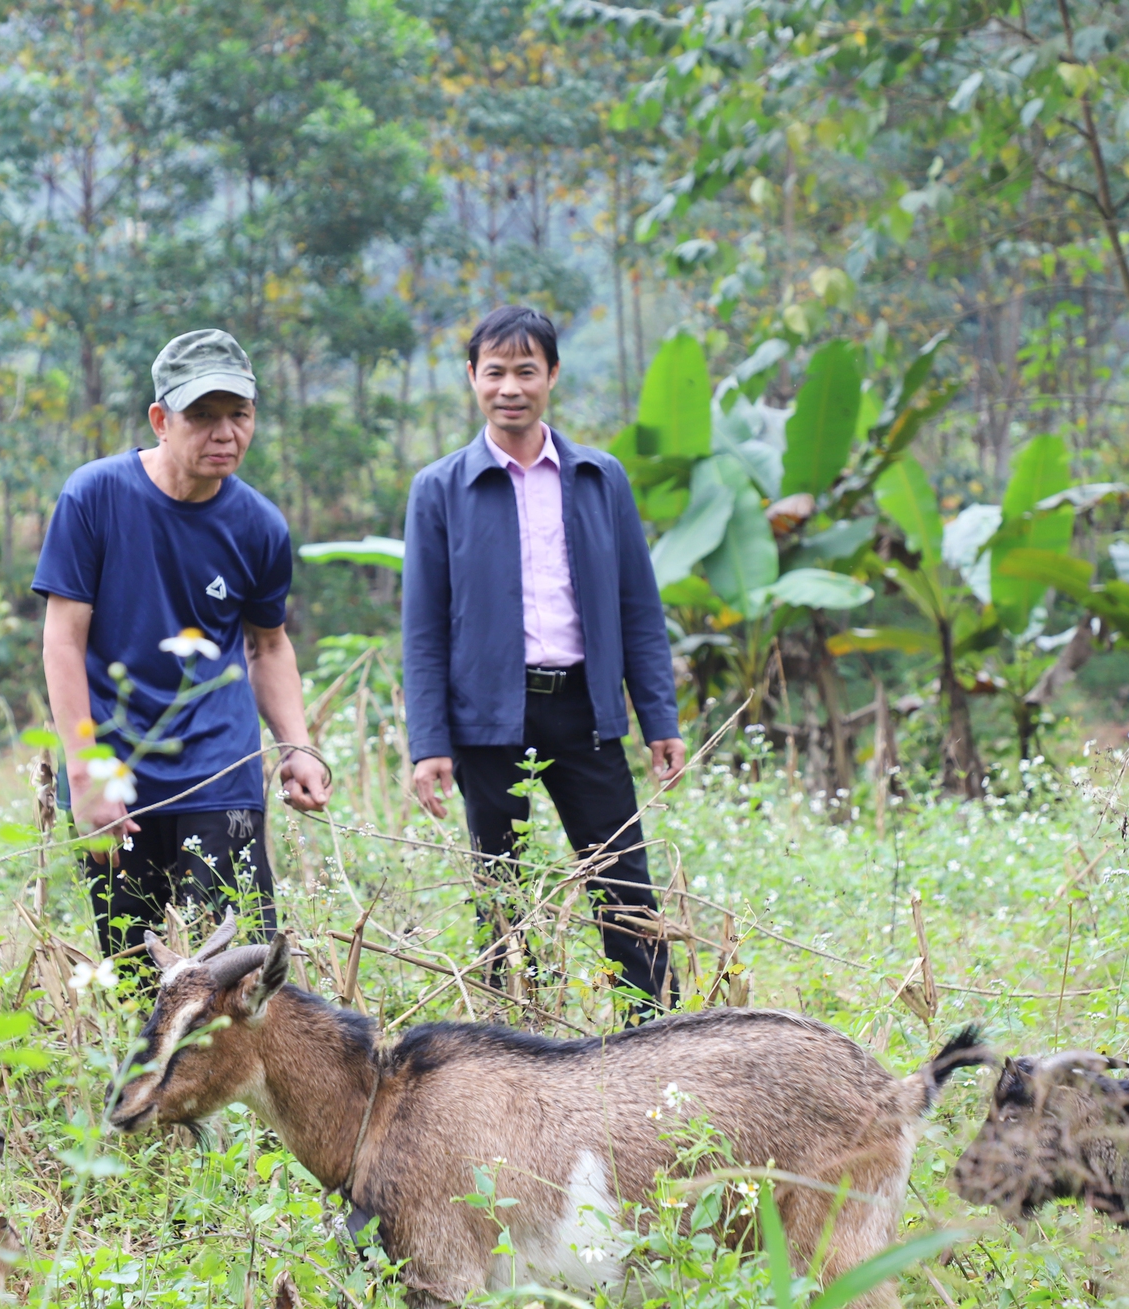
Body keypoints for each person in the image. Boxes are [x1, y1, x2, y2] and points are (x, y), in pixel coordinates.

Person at [402, 305, 685, 1016]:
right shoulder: (439, 489)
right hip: (487, 718)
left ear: (552, 375)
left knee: (624, 885)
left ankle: (657, 1039)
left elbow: (638, 609)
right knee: (501, 893)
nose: (510, 387)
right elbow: (424, 628)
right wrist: (429, 743)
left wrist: (658, 717)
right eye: (494, 371)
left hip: (585, 710)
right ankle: (507, 1039)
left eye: (526, 370)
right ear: (472, 378)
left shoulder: (599, 477)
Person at [35, 329, 330, 957]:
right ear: (160, 420)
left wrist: (297, 745)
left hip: (219, 772)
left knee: (240, 974)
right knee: (138, 976)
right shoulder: (95, 497)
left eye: (239, 415)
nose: (225, 433)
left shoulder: (260, 526)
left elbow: (268, 647)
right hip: (116, 769)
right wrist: (87, 772)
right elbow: (62, 640)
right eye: (202, 416)